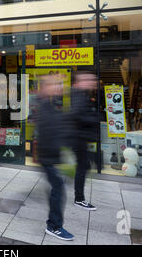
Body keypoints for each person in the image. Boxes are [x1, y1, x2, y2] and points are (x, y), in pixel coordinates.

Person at [37, 73, 74, 241]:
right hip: (48, 158)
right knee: (58, 189)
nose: (59, 87)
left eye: (60, 84)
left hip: (52, 157)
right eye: (55, 84)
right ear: (46, 87)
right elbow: (47, 134)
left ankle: (54, 224)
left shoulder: (50, 105)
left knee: (56, 188)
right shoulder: (44, 106)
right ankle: (53, 226)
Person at [70, 71, 99, 211]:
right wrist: (93, 118)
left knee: (84, 165)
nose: (92, 82)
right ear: (79, 81)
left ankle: (79, 196)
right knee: (83, 166)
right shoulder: (78, 95)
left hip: (79, 138)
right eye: (88, 79)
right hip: (78, 138)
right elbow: (76, 114)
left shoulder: (80, 94)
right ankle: (79, 199)